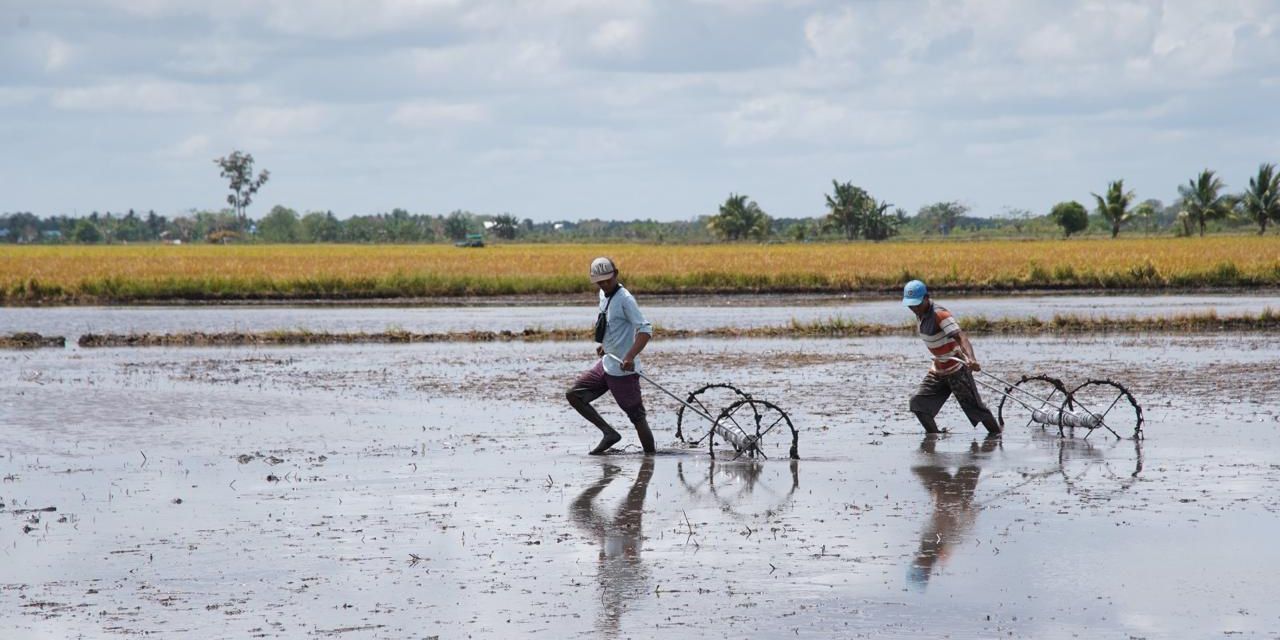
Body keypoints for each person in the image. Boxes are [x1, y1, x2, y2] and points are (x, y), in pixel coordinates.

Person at [566, 257, 656, 455]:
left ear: (616, 274)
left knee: (637, 417)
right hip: (607, 363)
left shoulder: (625, 299)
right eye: (600, 282)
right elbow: (611, 325)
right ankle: (609, 433)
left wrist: (630, 356)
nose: (605, 285)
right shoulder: (603, 295)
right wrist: (605, 345)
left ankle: (650, 461)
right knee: (574, 395)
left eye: (608, 280)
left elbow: (645, 330)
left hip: (624, 371)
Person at [903, 279, 1002, 435]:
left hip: (956, 369)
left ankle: (997, 437)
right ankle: (934, 437)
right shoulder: (920, 313)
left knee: (976, 410)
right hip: (938, 369)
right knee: (918, 403)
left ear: (927, 298)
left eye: (917, 304)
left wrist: (971, 359)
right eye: (911, 305)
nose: (914, 308)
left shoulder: (940, 315)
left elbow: (961, 337)